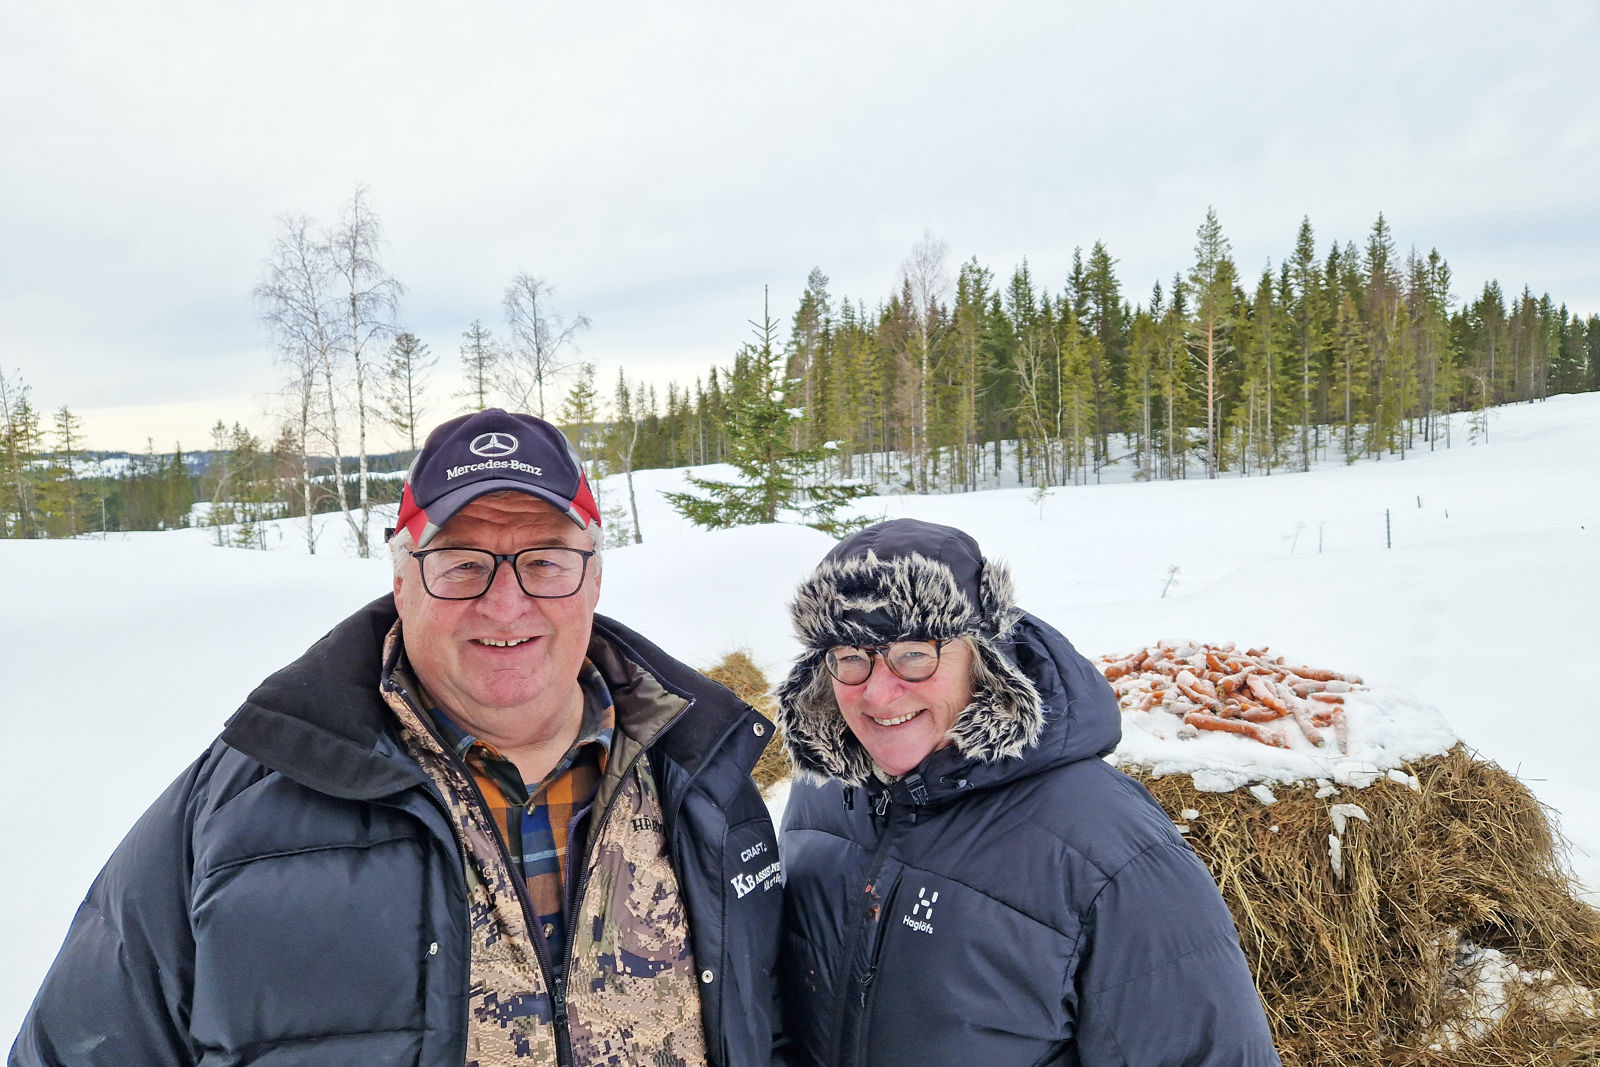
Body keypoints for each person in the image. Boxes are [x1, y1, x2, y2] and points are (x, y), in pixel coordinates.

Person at [11, 410, 785, 1067]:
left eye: (544, 560)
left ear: (593, 575)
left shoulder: (705, 784)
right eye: (462, 563)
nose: (506, 605)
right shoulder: (239, 812)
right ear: (402, 577)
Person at [774, 518, 1281, 1066]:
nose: (876, 691)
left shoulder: (1108, 848)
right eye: (850, 657)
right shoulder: (824, 795)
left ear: (984, 656)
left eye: (913, 653)